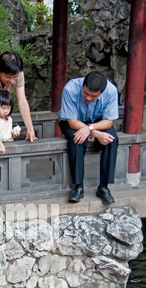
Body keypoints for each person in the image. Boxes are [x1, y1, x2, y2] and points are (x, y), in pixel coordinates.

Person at [58, 71, 119, 204]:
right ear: (83, 86)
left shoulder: (111, 91)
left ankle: (104, 187)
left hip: (97, 122)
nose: (88, 98)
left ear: (102, 92)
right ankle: (78, 187)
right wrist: (95, 133)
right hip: (73, 121)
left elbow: (108, 122)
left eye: (94, 96)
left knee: (111, 139)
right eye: (86, 93)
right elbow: (72, 122)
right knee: (78, 139)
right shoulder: (70, 88)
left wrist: (89, 128)